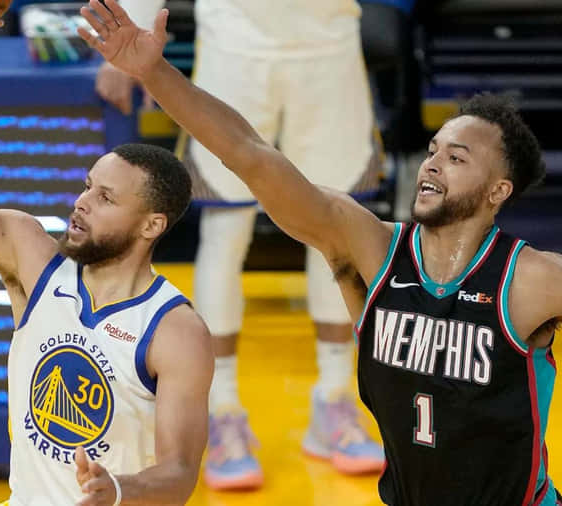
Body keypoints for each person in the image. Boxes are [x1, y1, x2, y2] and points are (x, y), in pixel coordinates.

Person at [78, 2, 562, 504]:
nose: (433, 165)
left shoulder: (535, 279)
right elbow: (248, 154)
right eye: (432, 151)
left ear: (498, 191)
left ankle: (332, 404)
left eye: (457, 158)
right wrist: (156, 72)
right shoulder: (370, 248)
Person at [0, 25, 214, 506]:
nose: (81, 203)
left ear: (151, 225)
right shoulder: (33, 259)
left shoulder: (174, 330)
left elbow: (180, 473)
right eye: (87, 186)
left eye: (105, 198)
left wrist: (120, 490)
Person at [94, 0, 384, 488]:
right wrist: (125, 39)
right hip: (236, 46)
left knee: (336, 229)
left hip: (329, 48)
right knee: (226, 231)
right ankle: (222, 408)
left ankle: (335, 399)